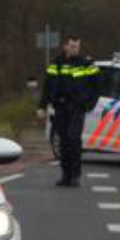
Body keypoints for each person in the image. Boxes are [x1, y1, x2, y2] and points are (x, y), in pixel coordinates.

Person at [38, 35, 101, 186]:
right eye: (72, 46)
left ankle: (75, 175)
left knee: (74, 140)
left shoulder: (86, 63)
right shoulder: (56, 64)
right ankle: (65, 175)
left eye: (77, 47)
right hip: (60, 107)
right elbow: (47, 86)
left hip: (77, 108)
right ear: (65, 46)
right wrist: (41, 106)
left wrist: (89, 104)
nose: (75, 49)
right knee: (63, 142)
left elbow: (98, 85)